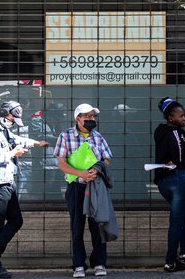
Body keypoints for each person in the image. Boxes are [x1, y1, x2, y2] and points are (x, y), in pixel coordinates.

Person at [0, 100, 48, 279]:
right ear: (2, 113)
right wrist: (13, 153)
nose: (12, 122)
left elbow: (16, 139)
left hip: (6, 181)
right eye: (11, 118)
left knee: (10, 221)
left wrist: (36, 143)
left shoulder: (1, 128)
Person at [54, 103, 112, 278]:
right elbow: (61, 163)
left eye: (93, 116)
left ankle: (99, 263)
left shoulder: (98, 137)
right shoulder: (65, 136)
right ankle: (78, 264)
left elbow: (106, 159)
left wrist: (97, 169)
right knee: (77, 226)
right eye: (87, 116)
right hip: (76, 187)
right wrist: (79, 173)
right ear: (78, 118)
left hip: (95, 187)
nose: (91, 119)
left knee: (98, 225)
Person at [153, 97, 185, 273]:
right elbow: (179, 157)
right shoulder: (175, 132)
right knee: (177, 221)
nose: (184, 118)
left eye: (184, 115)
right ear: (171, 118)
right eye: (181, 115)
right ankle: (171, 261)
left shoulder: (160, 131)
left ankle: (184, 256)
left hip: (164, 181)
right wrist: (184, 163)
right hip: (178, 180)